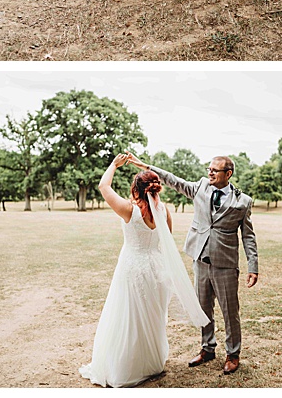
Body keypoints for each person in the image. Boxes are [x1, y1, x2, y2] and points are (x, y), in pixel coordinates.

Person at [80, 154, 209, 388]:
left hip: (132, 268)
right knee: (152, 318)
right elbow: (166, 241)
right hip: (155, 270)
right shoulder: (164, 212)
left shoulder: (129, 210)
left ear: (135, 189)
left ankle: (127, 368)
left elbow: (103, 186)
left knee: (127, 317)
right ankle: (151, 364)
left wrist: (114, 165)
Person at [126, 152, 258, 375]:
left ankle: (233, 354)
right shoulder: (200, 187)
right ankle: (207, 349)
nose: (210, 173)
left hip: (225, 263)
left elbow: (248, 236)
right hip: (200, 259)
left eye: (214, 171)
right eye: (209, 169)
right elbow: (173, 180)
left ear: (228, 173)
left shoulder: (243, 201)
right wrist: (147, 166)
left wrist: (253, 267)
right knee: (202, 308)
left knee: (230, 311)